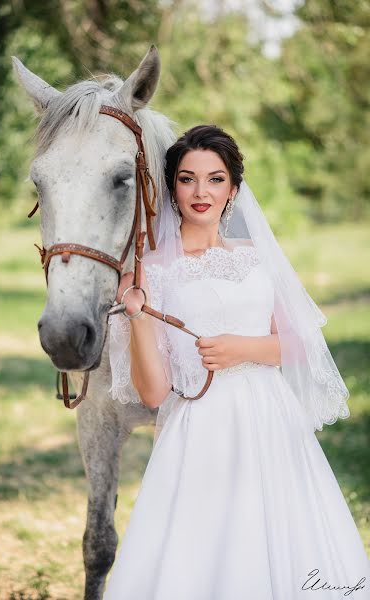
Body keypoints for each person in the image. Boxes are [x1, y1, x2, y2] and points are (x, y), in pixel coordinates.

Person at [103, 125, 370, 599]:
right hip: (200, 428)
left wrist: (241, 348)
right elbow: (153, 393)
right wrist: (139, 317)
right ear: (172, 188)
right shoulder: (150, 269)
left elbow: (297, 343)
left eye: (215, 179)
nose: (201, 192)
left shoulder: (256, 258)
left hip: (271, 421)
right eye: (187, 179)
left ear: (234, 189)